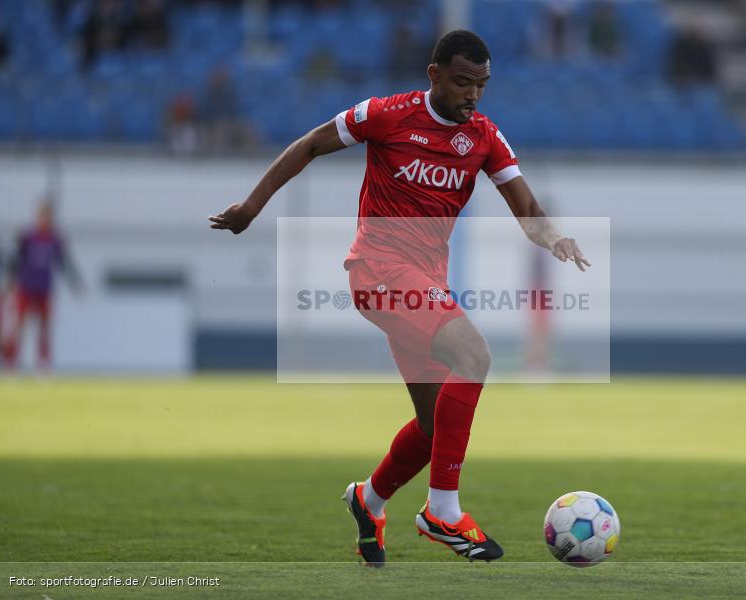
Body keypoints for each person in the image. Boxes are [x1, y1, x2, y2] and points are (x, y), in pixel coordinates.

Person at [208, 30, 589, 565]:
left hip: (425, 283)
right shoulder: (387, 115)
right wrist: (252, 205)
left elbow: (525, 207)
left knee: (437, 429)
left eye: (481, 84)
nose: (473, 95)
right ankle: (443, 511)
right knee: (474, 355)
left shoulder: (483, 136)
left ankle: (370, 498)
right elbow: (312, 143)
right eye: (462, 82)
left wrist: (554, 237)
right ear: (434, 75)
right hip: (377, 271)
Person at [2, 201, 83, 372]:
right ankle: (11, 363)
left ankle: (43, 365)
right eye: (42, 216)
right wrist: (10, 280)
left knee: (45, 328)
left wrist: (75, 282)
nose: (45, 220)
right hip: (26, 286)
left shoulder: (55, 239)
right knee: (19, 326)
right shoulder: (27, 237)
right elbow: (16, 259)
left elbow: (64, 263)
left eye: (48, 216)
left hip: (44, 288)